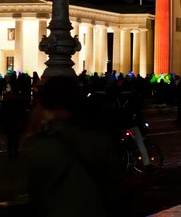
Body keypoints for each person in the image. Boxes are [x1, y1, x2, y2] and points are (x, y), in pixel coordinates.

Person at [24, 77, 123, 217]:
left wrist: (32, 128)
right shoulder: (100, 138)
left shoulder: (40, 145)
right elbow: (115, 186)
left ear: (45, 107)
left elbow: (30, 191)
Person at [2, 82, 25, 158]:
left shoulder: (7, 98)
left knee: (9, 137)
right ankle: (15, 152)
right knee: (15, 137)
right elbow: (22, 111)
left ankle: (10, 153)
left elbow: (3, 110)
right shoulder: (19, 99)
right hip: (16, 119)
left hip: (8, 119)